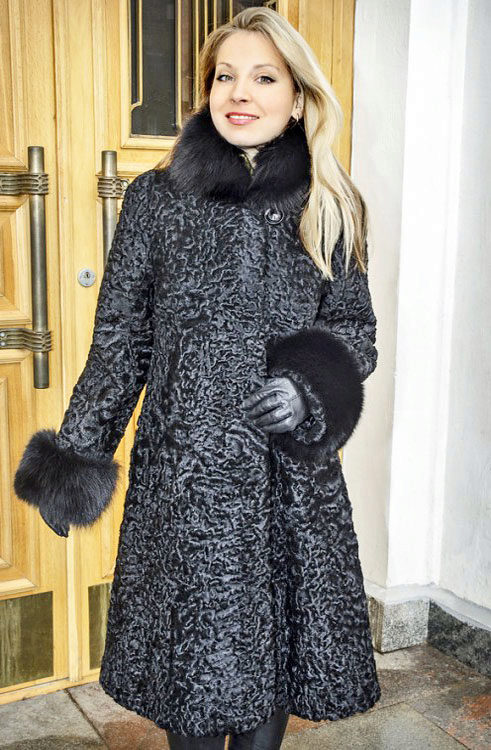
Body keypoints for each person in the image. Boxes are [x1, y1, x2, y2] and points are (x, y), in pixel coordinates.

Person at [13, 6, 381, 749]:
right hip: (184, 478)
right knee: (193, 668)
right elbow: (121, 341)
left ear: (297, 98)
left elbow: (355, 329)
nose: (238, 93)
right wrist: (77, 456)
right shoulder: (156, 199)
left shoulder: (330, 202)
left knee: (270, 656)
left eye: (263, 77)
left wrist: (308, 387)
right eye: (224, 77)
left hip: (286, 480)